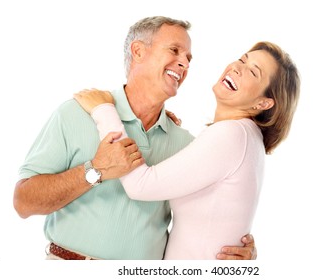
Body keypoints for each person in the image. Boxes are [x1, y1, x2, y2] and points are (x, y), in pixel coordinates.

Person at [14, 16, 256, 260]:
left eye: (188, 58)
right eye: (175, 50)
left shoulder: (186, 144)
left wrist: (241, 249)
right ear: (138, 51)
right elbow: (23, 203)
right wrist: (95, 170)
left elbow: (208, 215)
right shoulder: (75, 114)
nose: (184, 63)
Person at [74, 41, 300, 259]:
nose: (238, 68)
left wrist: (103, 111)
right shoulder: (246, 137)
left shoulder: (233, 135)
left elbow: (140, 186)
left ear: (263, 103)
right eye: (242, 59)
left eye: (253, 72)